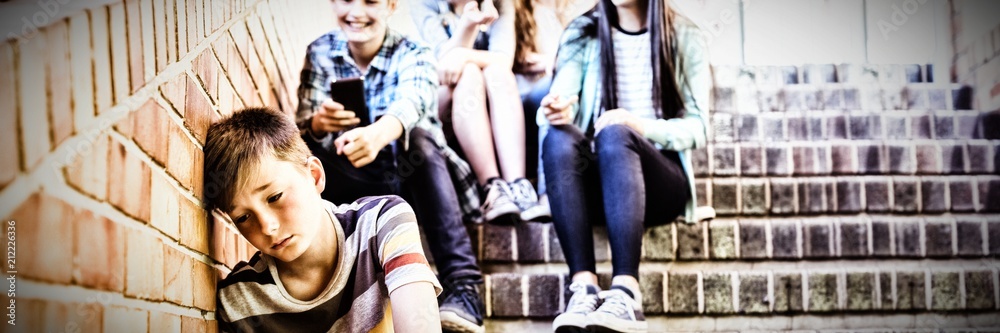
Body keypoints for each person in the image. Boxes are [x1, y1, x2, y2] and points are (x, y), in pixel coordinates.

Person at [295, 0, 486, 332]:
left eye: (370, 2)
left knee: (422, 141)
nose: (356, 12)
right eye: (346, 0)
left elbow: (413, 99)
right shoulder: (320, 50)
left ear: (391, 6)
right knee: (305, 152)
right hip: (351, 177)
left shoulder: (414, 50)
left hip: (411, 176)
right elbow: (300, 124)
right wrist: (318, 123)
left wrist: (379, 134)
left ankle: (464, 288)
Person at [539, 0, 709, 331]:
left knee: (617, 132)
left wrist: (638, 125)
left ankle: (626, 291)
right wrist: (555, 110)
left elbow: (699, 127)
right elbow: (561, 100)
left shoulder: (684, 36)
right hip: (600, 188)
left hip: (660, 185)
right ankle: (584, 287)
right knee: (558, 137)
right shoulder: (582, 31)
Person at [207, 107, 442, 332]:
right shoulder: (241, 301)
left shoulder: (381, 223)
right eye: (243, 217)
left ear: (314, 176)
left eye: (275, 197)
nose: (268, 227)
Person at [411, 0, 547, 223]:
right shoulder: (424, 5)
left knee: (498, 73)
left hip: (482, 99)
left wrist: (463, 55)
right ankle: (491, 185)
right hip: (442, 105)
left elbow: (503, 59)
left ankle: (517, 184)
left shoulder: (501, 4)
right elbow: (444, 69)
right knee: (470, 73)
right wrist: (468, 25)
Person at [512, 0, 597, 219]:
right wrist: (553, 62)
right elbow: (515, 57)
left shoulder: (572, 9)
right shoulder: (517, 6)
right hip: (527, 98)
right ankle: (547, 195)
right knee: (556, 92)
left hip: (561, 88)